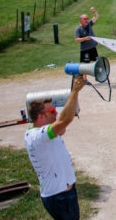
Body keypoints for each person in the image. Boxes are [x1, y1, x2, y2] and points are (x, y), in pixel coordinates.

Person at [25, 76, 86, 220]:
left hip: (64, 193)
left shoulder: (45, 133)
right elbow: (65, 120)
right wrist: (74, 92)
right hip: (59, 197)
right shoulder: (38, 136)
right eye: (52, 111)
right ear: (41, 117)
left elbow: (62, 125)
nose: (56, 113)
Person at [74, 7, 99, 73]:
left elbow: (96, 17)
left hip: (93, 47)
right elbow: (76, 39)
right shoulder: (78, 29)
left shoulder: (89, 24)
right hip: (85, 49)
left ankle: (98, 75)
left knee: (96, 62)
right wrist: (85, 38)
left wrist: (94, 11)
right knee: (86, 65)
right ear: (81, 20)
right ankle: (85, 80)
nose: (87, 20)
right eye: (85, 19)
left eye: (87, 19)